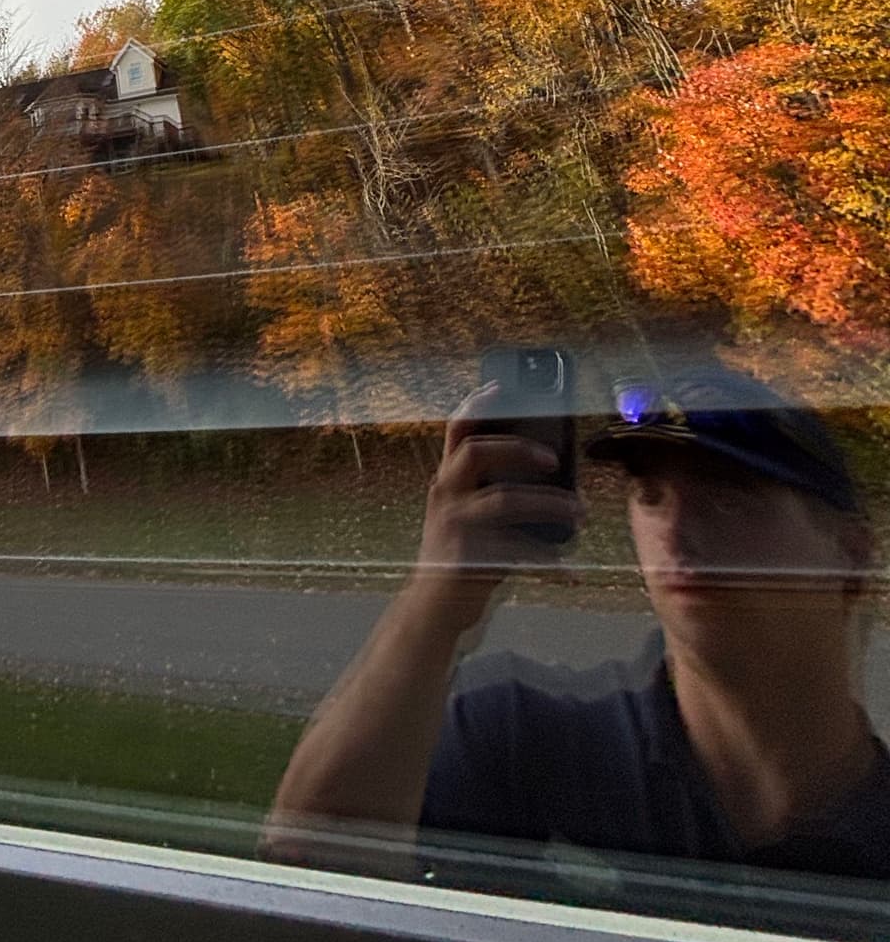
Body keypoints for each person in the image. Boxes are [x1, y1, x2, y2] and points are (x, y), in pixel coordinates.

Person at [266, 362, 890, 882]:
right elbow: (307, 878)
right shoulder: (521, 745)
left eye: (729, 498)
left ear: (851, 555)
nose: (675, 533)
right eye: (650, 495)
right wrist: (436, 599)